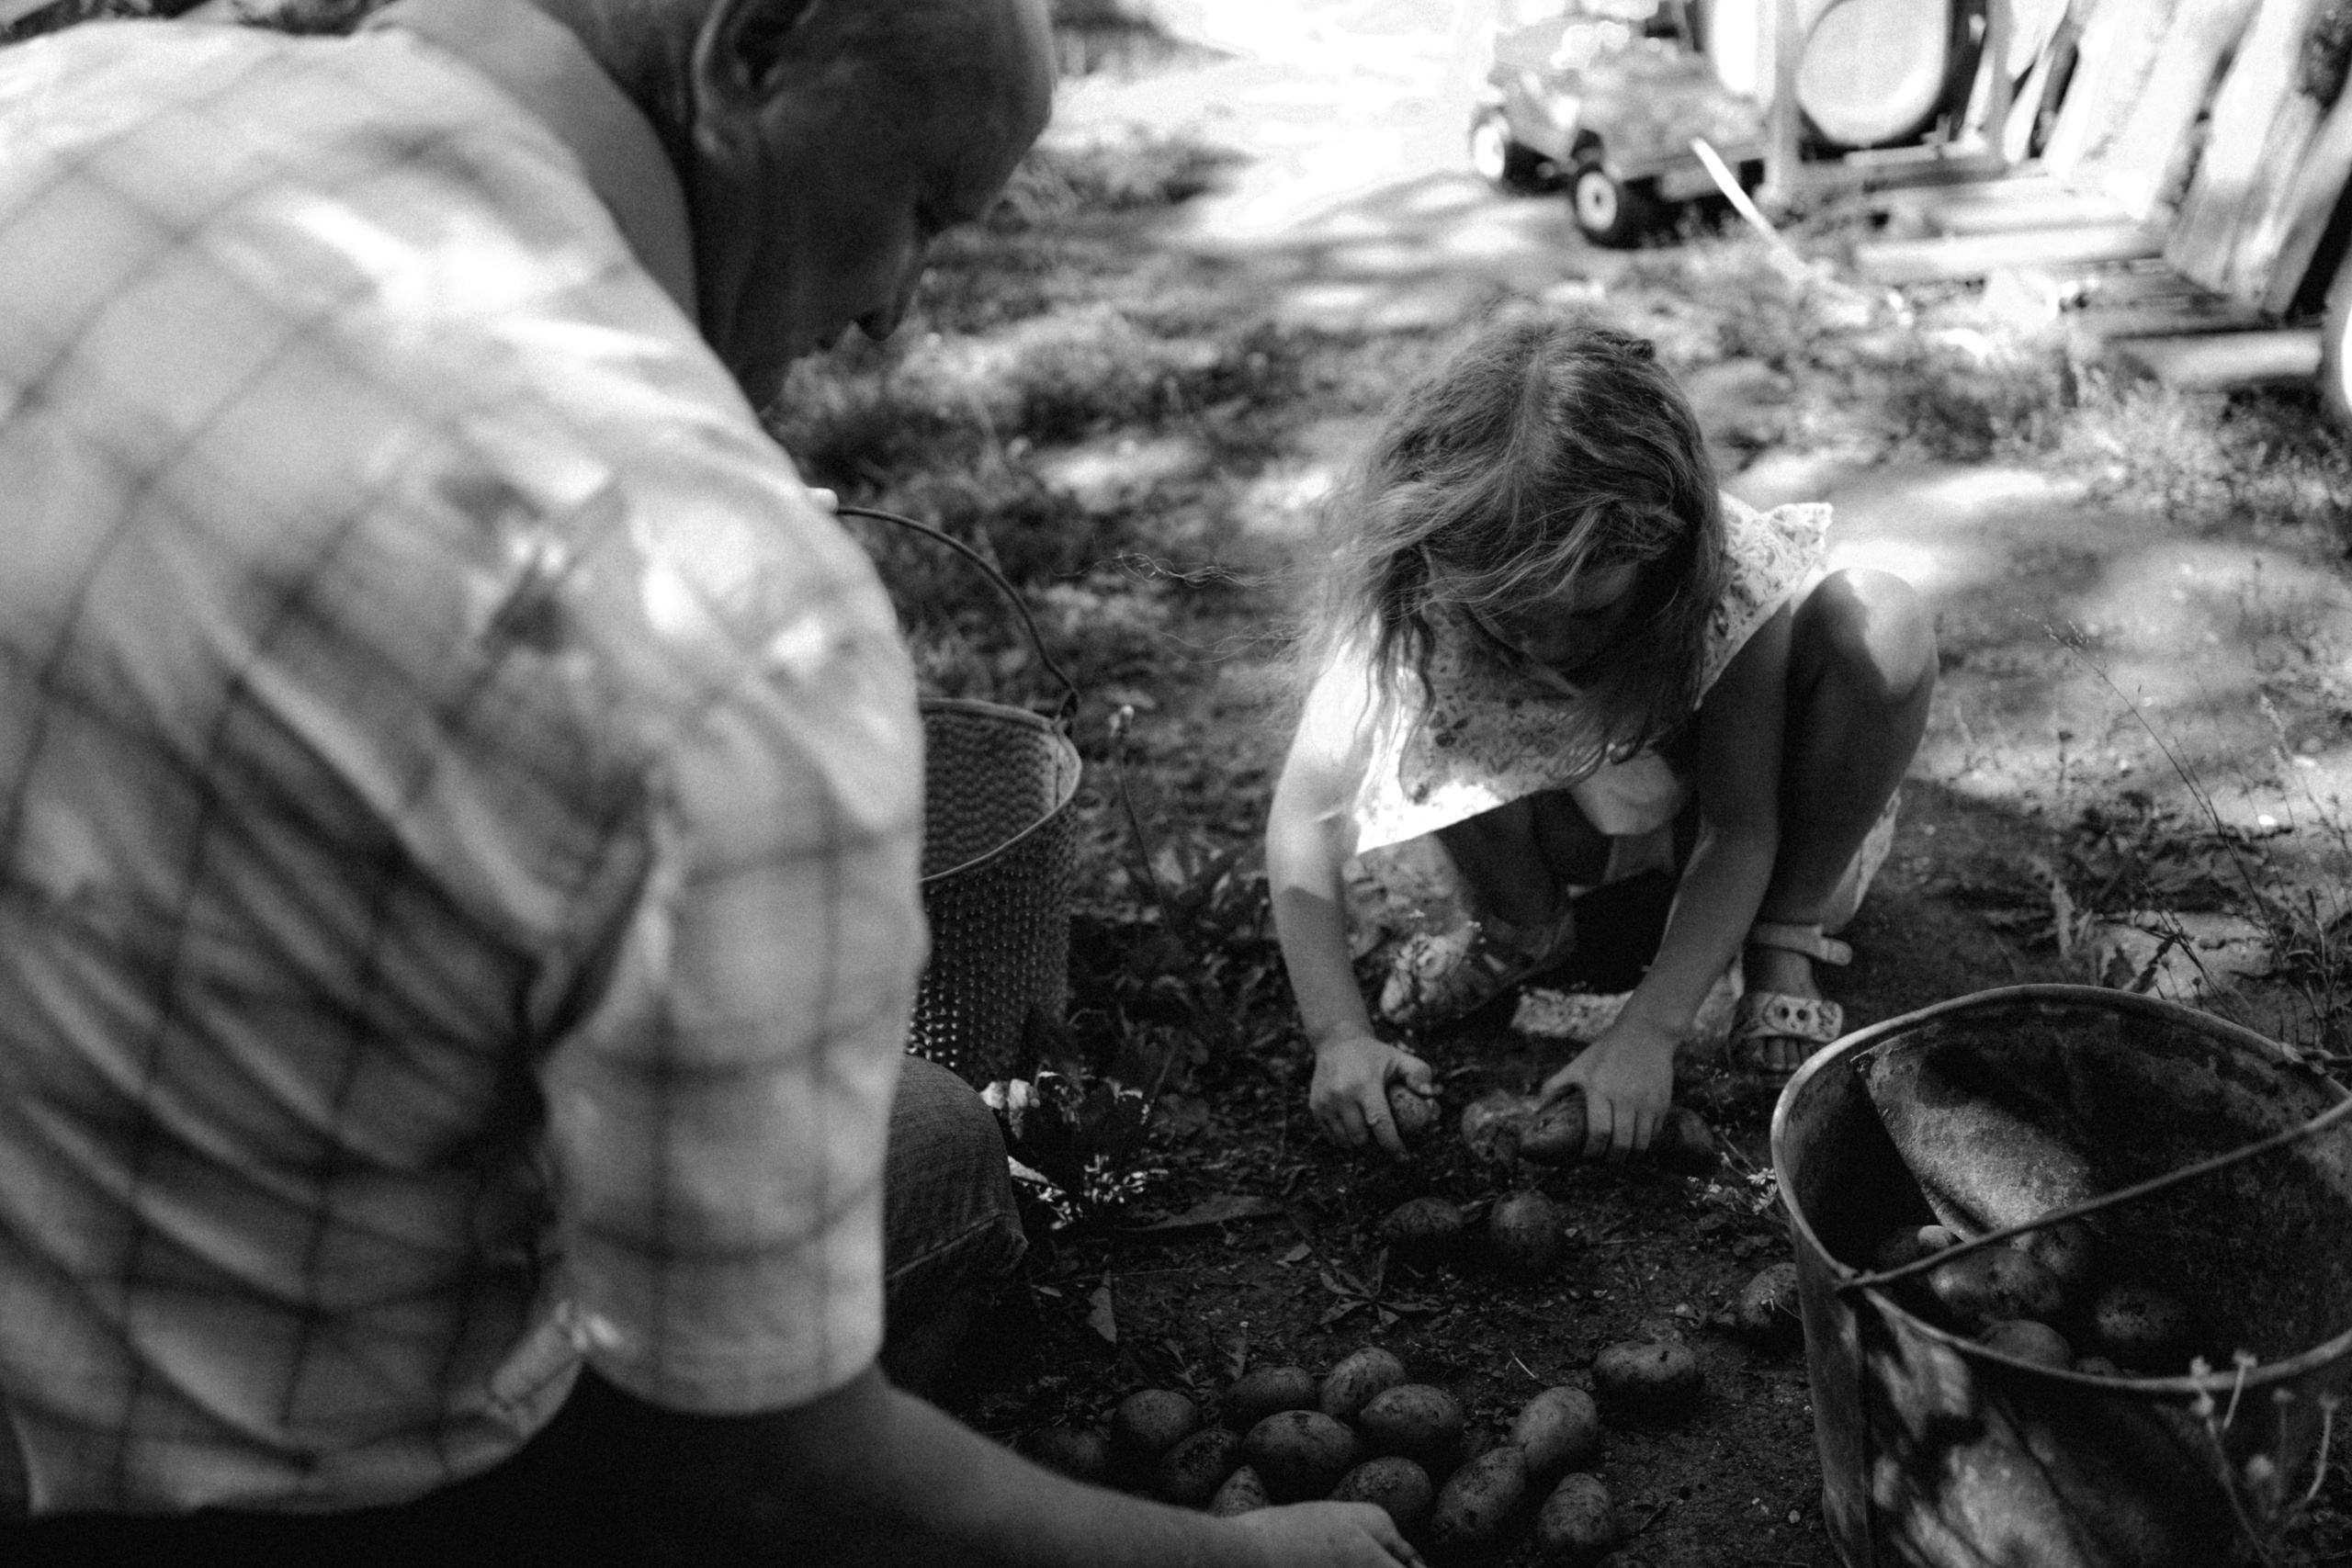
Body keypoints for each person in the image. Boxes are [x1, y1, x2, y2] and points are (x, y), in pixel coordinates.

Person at [0, 0, 1421, 1563]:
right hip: (306, 1488)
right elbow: (747, 1465)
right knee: (942, 1158)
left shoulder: (67, 102)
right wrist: (1232, 1557)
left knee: (926, 1127)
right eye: (922, 210)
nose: (895, 305)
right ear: (750, 55)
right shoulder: (720, 602)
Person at [1267, 305, 1936, 1163]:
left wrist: (1649, 1033)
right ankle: (1519, 926)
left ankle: (1781, 936)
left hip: (1717, 832)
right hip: (1576, 834)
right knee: (1437, 703)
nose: (1549, 643)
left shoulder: (1722, 576)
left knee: (1882, 617)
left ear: (1667, 553)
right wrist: (1337, 1035)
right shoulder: (1419, 592)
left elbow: (1740, 824)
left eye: (1591, 610)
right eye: (1512, 615)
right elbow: (1304, 819)